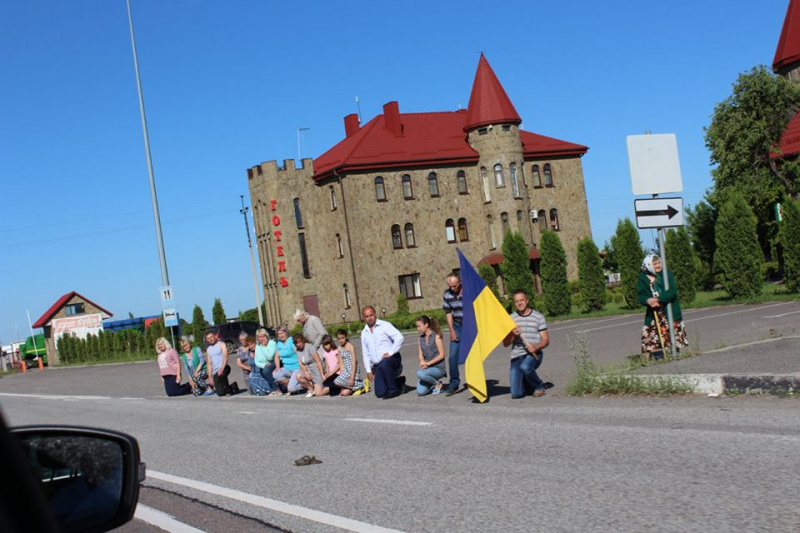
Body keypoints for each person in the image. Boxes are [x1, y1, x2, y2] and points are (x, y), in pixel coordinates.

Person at [637, 253, 688, 360]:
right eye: (655, 264)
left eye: (659, 262)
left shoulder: (666, 273)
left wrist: (658, 299)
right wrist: (648, 300)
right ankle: (645, 359)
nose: (658, 265)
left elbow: (672, 291)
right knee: (647, 333)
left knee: (672, 331)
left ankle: (674, 354)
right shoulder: (643, 277)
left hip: (669, 309)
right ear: (649, 265)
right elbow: (640, 295)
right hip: (654, 311)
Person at [503, 290, 549, 399]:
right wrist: (512, 334)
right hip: (517, 356)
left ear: (527, 300)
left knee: (525, 367)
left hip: (534, 354)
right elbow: (505, 343)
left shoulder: (538, 317)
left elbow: (546, 340)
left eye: (522, 300)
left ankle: (539, 385)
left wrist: (536, 346)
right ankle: (528, 383)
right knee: (516, 394)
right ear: (514, 303)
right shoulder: (511, 319)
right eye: (516, 301)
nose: (519, 303)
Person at [361, 306, 404, 399]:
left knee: (384, 363)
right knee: (380, 393)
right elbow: (365, 353)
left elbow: (399, 337)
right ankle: (398, 382)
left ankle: (393, 390)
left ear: (375, 314)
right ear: (364, 318)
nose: (369, 318)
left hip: (392, 359)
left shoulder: (384, 325)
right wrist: (368, 370)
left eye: (371, 315)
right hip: (378, 365)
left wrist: (391, 352)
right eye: (367, 316)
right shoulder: (364, 333)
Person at [442, 272, 463, 396]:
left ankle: (476, 382)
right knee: (453, 357)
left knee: (473, 356)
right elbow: (448, 313)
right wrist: (452, 331)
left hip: (470, 326)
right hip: (457, 326)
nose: (452, 288)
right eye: (450, 286)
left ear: (460, 282)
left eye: (454, 286)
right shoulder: (447, 294)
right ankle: (454, 383)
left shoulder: (468, 291)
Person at [415, 316, 446, 396]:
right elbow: (420, 354)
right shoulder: (420, 339)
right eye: (417, 326)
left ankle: (437, 384)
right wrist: (422, 362)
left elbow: (442, 355)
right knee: (420, 392)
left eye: (419, 326)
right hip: (427, 369)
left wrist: (428, 363)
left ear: (426, 325)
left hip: (438, 369)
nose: (418, 328)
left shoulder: (436, 336)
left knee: (420, 373)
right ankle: (430, 380)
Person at [294, 333, 327, 397]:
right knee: (298, 376)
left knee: (318, 394)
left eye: (300, 342)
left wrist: (322, 374)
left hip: (315, 369)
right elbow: (301, 363)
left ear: (303, 340)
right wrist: (306, 373)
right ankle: (311, 389)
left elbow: (318, 361)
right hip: (307, 369)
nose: (299, 344)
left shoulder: (310, 347)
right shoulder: (297, 350)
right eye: (297, 343)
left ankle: (331, 387)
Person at [204, 329, 236, 396]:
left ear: (215, 336)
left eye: (211, 337)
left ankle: (228, 391)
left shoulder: (221, 344)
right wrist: (210, 376)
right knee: (220, 393)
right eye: (208, 338)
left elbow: (226, 357)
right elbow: (209, 363)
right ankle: (233, 386)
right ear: (207, 340)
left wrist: (222, 368)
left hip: (224, 367)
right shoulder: (208, 349)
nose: (210, 339)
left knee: (222, 375)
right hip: (215, 371)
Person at [333, 329, 363, 395]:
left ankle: (361, 385)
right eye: (339, 339)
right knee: (344, 393)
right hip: (346, 371)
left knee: (336, 381)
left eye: (342, 338)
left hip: (353, 370)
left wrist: (352, 377)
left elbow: (354, 362)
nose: (341, 340)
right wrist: (342, 375)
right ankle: (357, 387)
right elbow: (341, 363)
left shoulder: (350, 346)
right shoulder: (339, 348)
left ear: (345, 337)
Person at [272, 326, 302, 393]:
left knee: (291, 389)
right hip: (287, 368)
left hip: (296, 367)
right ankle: (290, 384)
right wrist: (277, 367)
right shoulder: (279, 343)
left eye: (282, 333)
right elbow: (276, 356)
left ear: (286, 333)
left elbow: (299, 353)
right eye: (279, 334)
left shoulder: (291, 340)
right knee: (275, 374)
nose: (281, 335)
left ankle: (305, 384)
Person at [254, 328, 280, 395]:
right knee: (257, 373)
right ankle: (267, 389)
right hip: (264, 365)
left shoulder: (272, 343)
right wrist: (263, 365)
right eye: (260, 337)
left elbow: (270, 357)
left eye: (263, 336)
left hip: (274, 362)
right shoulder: (257, 346)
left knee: (266, 371)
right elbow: (256, 361)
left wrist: (264, 346)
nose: (262, 338)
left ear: (266, 336)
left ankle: (276, 389)